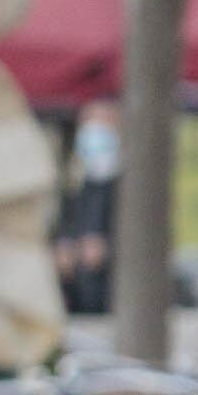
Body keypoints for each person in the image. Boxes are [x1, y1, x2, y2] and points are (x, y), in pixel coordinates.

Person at [53, 100, 120, 315]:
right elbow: (64, 223)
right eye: (88, 122)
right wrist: (64, 246)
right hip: (76, 297)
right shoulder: (76, 182)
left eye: (101, 121)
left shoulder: (132, 186)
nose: (93, 129)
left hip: (113, 299)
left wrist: (108, 249)